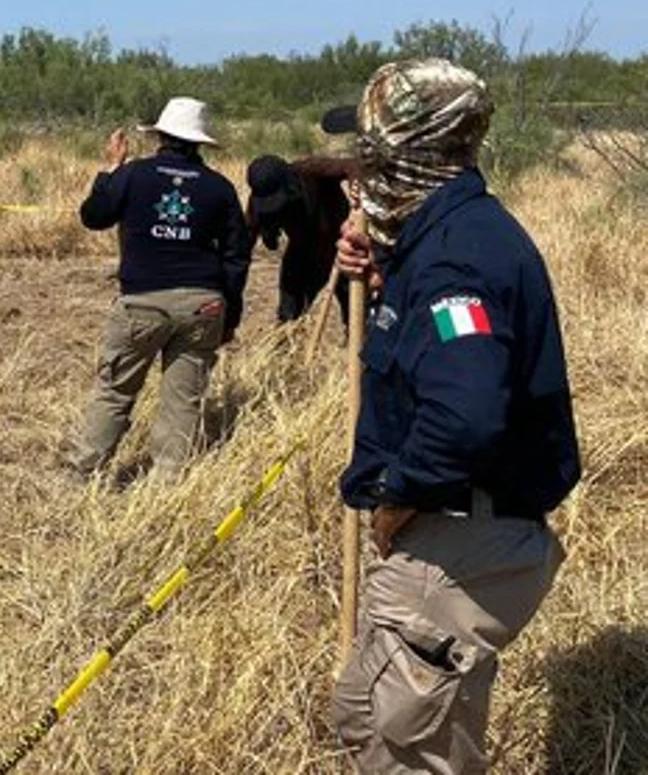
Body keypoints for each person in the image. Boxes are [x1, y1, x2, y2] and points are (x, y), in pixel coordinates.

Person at [329, 58, 580, 774]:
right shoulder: (441, 239)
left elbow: (465, 415)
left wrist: (397, 497)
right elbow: (435, 349)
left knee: (412, 750)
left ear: (409, 154)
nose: (357, 167)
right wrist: (381, 270)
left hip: (456, 540)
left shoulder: (455, 260)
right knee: (362, 720)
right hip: (451, 536)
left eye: (369, 151)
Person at [70, 96, 252, 483]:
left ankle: (84, 473)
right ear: (199, 142)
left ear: (161, 136)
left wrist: (111, 170)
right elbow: (237, 256)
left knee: (115, 391)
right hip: (203, 305)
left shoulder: (133, 175)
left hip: (142, 302)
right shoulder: (219, 188)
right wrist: (230, 316)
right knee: (183, 400)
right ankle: (167, 484)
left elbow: (93, 216)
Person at [243, 153, 356, 323]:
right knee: (289, 313)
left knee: (353, 310)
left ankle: (356, 344)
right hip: (301, 249)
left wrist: (358, 188)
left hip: (342, 247)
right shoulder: (260, 201)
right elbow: (244, 243)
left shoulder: (310, 171)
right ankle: (288, 340)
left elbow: (353, 165)